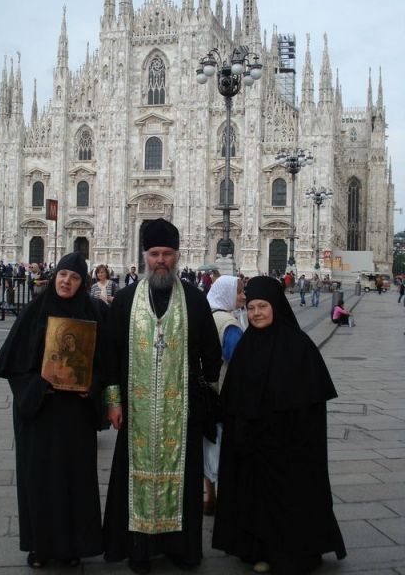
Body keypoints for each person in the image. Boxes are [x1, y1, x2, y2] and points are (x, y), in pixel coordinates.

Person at [103, 218, 222, 574]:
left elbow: (212, 354)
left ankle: (181, 549)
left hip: (181, 414)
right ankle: (140, 549)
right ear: (144, 256)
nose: (160, 260)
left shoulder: (195, 301)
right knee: (134, 477)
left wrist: (203, 390)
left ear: (177, 256)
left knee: (184, 480)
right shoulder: (125, 301)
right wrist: (113, 401)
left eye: (167, 254)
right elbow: (108, 355)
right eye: (154, 253)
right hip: (136, 413)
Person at [213, 276, 346, 575]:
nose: (257, 313)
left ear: (276, 307)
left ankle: (293, 552)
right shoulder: (247, 346)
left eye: (263, 306)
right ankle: (258, 550)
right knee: (255, 499)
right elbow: (233, 397)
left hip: (290, 446)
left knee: (289, 500)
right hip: (254, 445)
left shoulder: (299, 347)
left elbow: (313, 405)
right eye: (251, 307)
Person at [0, 253, 104, 568]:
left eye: (75, 277)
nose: (67, 281)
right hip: (39, 413)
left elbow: (105, 364)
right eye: (63, 274)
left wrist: (90, 388)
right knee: (39, 479)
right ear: (55, 277)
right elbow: (13, 367)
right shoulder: (34, 312)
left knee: (75, 480)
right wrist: (39, 385)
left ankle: (72, 547)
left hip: (76, 415)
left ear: (83, 283)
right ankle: (40, 546)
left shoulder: (93, 314)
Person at [203, 275, 245, 516]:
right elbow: (238, 360)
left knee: (209, 444)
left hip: (208, 392)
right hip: (225, 391)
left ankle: (211, 497)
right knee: (223, 445)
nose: (244, 296)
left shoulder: (207, 314)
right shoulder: (228, 323)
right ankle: (228, 497)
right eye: (240, 292)